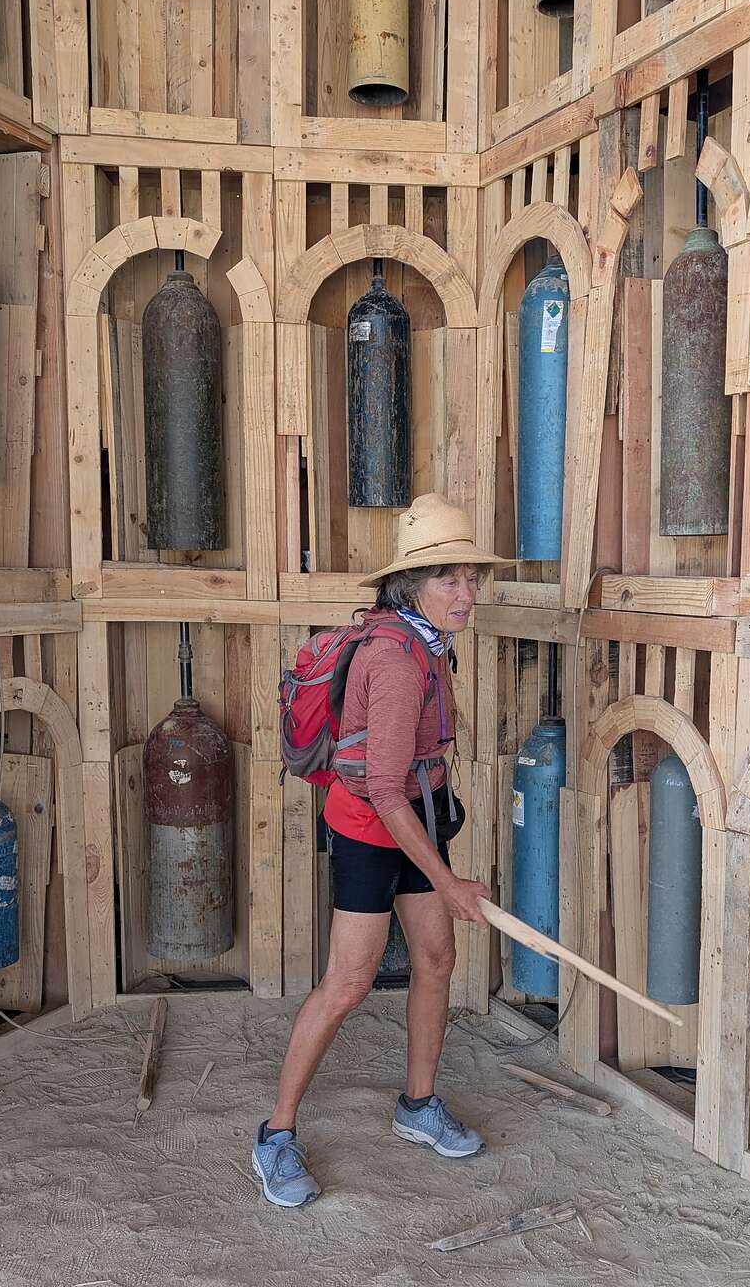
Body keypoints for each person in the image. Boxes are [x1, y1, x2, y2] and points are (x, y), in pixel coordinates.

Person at [252, 494, 514, 1207]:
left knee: (434, 959)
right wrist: (450, 883)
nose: (465, 594)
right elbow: (384, 791)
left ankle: (417, 1105)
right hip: (372, 832)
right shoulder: (398, 660)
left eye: (470, 578)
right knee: (347, 983)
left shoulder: (423, 641)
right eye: (448, 580)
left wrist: (439, 869)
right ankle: (275, 1135)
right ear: (411, 588)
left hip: (414, 823)